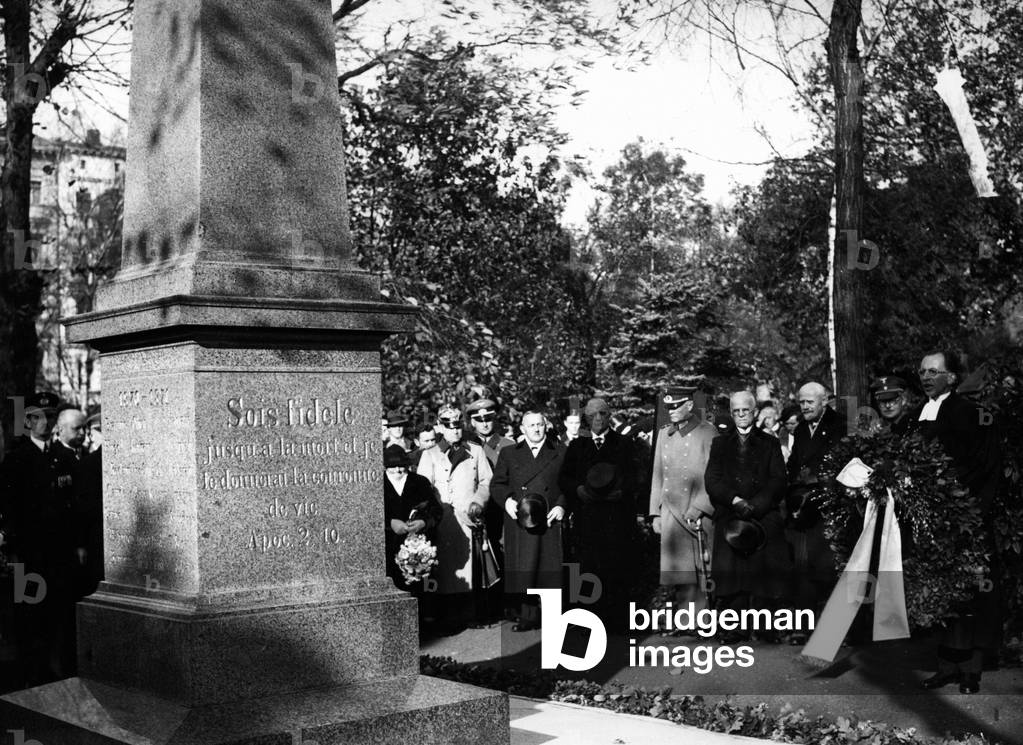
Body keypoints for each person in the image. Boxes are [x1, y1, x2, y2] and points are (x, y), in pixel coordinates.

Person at [914, 351, 1002, 694]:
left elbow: (983, 464)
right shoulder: (919, 413)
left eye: (933, 371)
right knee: (941, 591)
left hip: (966, 514)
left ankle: (970, 670)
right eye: (922, 371)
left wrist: (954, 496)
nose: (925, 377)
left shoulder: (968, 412)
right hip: (932, 517)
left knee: (971, 591)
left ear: (951, 377)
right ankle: (946, 665)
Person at [704, 391, 789, 642]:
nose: (741, 415)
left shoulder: (770, 443)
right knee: (732, 575)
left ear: (755, 412)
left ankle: (765, 627)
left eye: (746, 410)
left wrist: (756, 505)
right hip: (731, 513)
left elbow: (778, 480)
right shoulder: (720, 444)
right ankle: (734, 627)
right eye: (736, 411)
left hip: (761, 513)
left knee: (764, 571)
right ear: (731, 413)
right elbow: (712, 480)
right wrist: (735, 501)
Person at [0, 392, 71, 685]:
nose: (46, 422)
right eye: (39, 417)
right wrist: (13, 546)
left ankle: (49, 670)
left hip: (57, 552)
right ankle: (27, 673)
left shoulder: (63, 458)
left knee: (54, 611)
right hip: (26, 553)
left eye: (51, 416)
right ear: (28, 421)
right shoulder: (16, 459)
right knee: (27, 612)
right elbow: (9, 508)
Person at [558, 397, 637, 629]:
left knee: (617, 567)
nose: (598, 419)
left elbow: (636, 476)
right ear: (586, 419)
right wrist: (578, 490)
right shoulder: (577, 446)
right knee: (589, 569)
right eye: (593, 415)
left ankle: (619, 621)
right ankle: (590, 621)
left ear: (609, 415)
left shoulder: (624, 443)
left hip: (617, 518)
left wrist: (622, 492)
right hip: (588, 519)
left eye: (603, 413)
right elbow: (564, 478)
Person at [416, 405, 493, 630]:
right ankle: (447, 617)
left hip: (469, 516)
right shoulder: (430, 454)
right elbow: (423, 488)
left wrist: (478, 502)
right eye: (449, 426)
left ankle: (470, 614)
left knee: (471, 570)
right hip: (444, 520)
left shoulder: (475, 451)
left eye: (458, 425)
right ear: (441, 427)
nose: (455, 430)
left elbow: (486, 481)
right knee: (447, 571)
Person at [492, 410, 567, 630]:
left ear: (546, 426)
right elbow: (497, 484)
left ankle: (553, 618)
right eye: (531, 425)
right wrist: (506, 501)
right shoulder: (509, 453)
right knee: (525, 569)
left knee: (549, 570)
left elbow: (569, 484)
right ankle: (528, 616)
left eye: (540, 424)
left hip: (549, 519)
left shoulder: (560, 451)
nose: (536, 429)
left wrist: (562, 505)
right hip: (521, 519)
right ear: (522, 429)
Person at [648, 387, 718, 610]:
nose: (671, 411)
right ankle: (685, 617)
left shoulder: (707, 432)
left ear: (689, 405)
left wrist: (699, 507)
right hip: (671, 512)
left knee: (702, 571)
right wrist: (655, 513)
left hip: (696, 513)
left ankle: (703, 618)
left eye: (676, 406)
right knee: (680, 574)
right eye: (668, 407)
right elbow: (658, 475)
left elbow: (715, 475)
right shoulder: (664, 434)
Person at [785, 381, 844, 636]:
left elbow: (837, 466)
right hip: (802, 505)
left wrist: (813, 491)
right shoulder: (801, 430)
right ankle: (805, 625)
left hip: (827, 504)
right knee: (804, 567)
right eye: (801, 402)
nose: (805, 406)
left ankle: (834, 629)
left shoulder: (839, 425)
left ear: (824, 401)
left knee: (828, 568)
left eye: (810, 402)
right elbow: (794, 465)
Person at [383, 445, 442, 595]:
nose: (398, 470)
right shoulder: (379, 485)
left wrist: (423, 522)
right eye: (393, 467)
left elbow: (436, 510)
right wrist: (389, 522)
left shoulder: (420, 482)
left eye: (401, 466)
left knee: (423, 589)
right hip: (389, 548)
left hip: (419, 548)